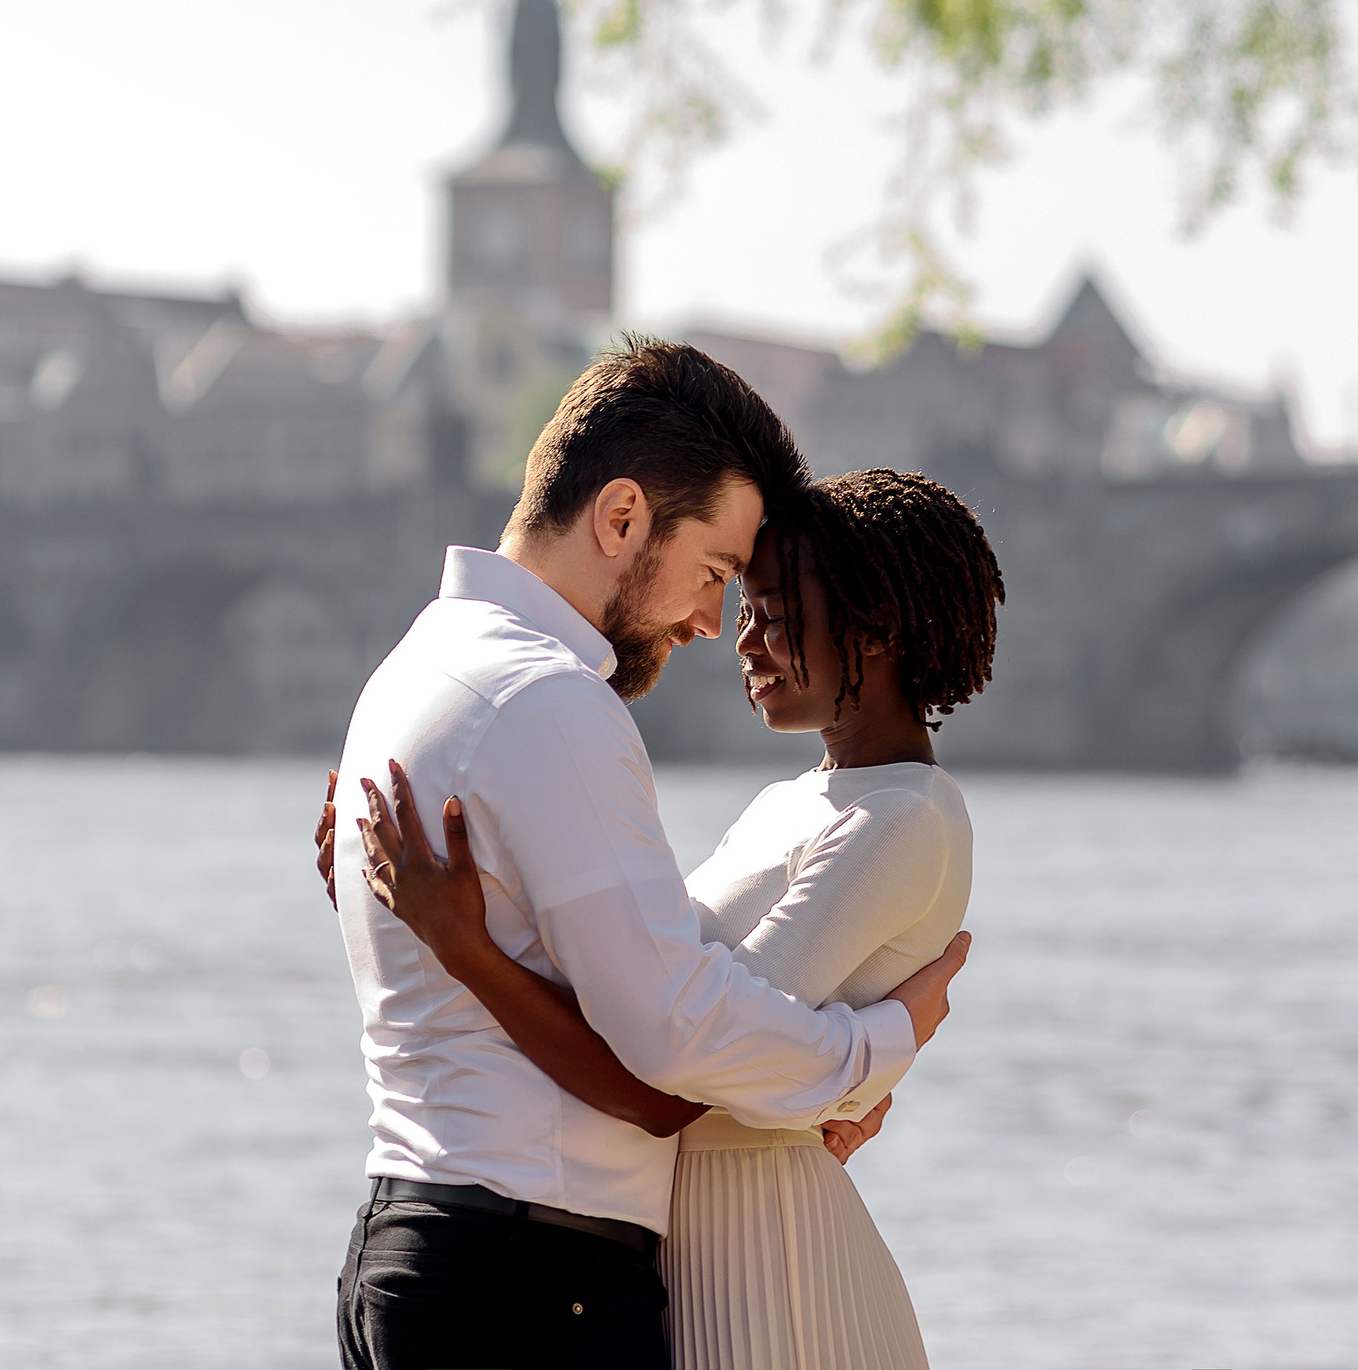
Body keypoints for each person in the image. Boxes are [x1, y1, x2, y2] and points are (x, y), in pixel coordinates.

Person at [324, 338, 971, 1370]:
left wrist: (811, 1098)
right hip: (527, 1284)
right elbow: (672, 1049)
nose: (712, 622)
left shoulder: (413, 673)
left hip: (418, 1247)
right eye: (713, 572)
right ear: (621, 517)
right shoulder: (548, 699)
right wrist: (873, 1049)